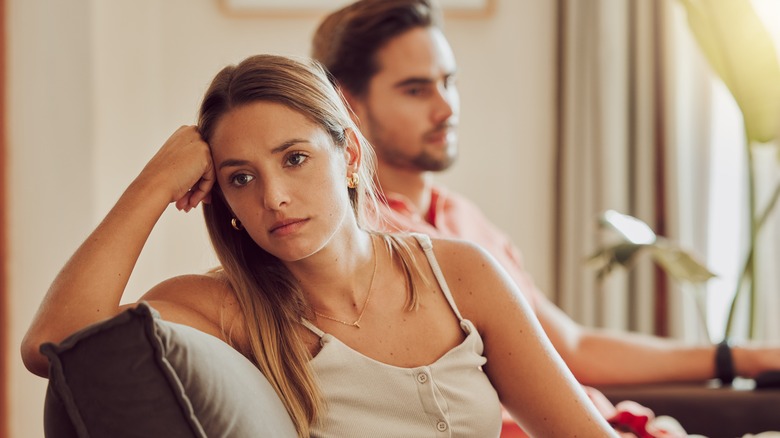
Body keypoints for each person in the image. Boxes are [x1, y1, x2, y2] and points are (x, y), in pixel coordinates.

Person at [21, 54, 617, 437]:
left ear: (350, 158)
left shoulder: (458, 273)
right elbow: (50, 346)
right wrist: (154, 181)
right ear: (219, 198)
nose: (274, 197)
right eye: (241, 177)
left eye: (296, 159)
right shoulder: (222, 308)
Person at [311, 0, 780, 405]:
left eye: (448, 81)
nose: (448, 107)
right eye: (416, 89)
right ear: (348, 104)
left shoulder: (462, 217)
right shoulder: (360, 243)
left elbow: (571, 347)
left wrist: (740, 356)